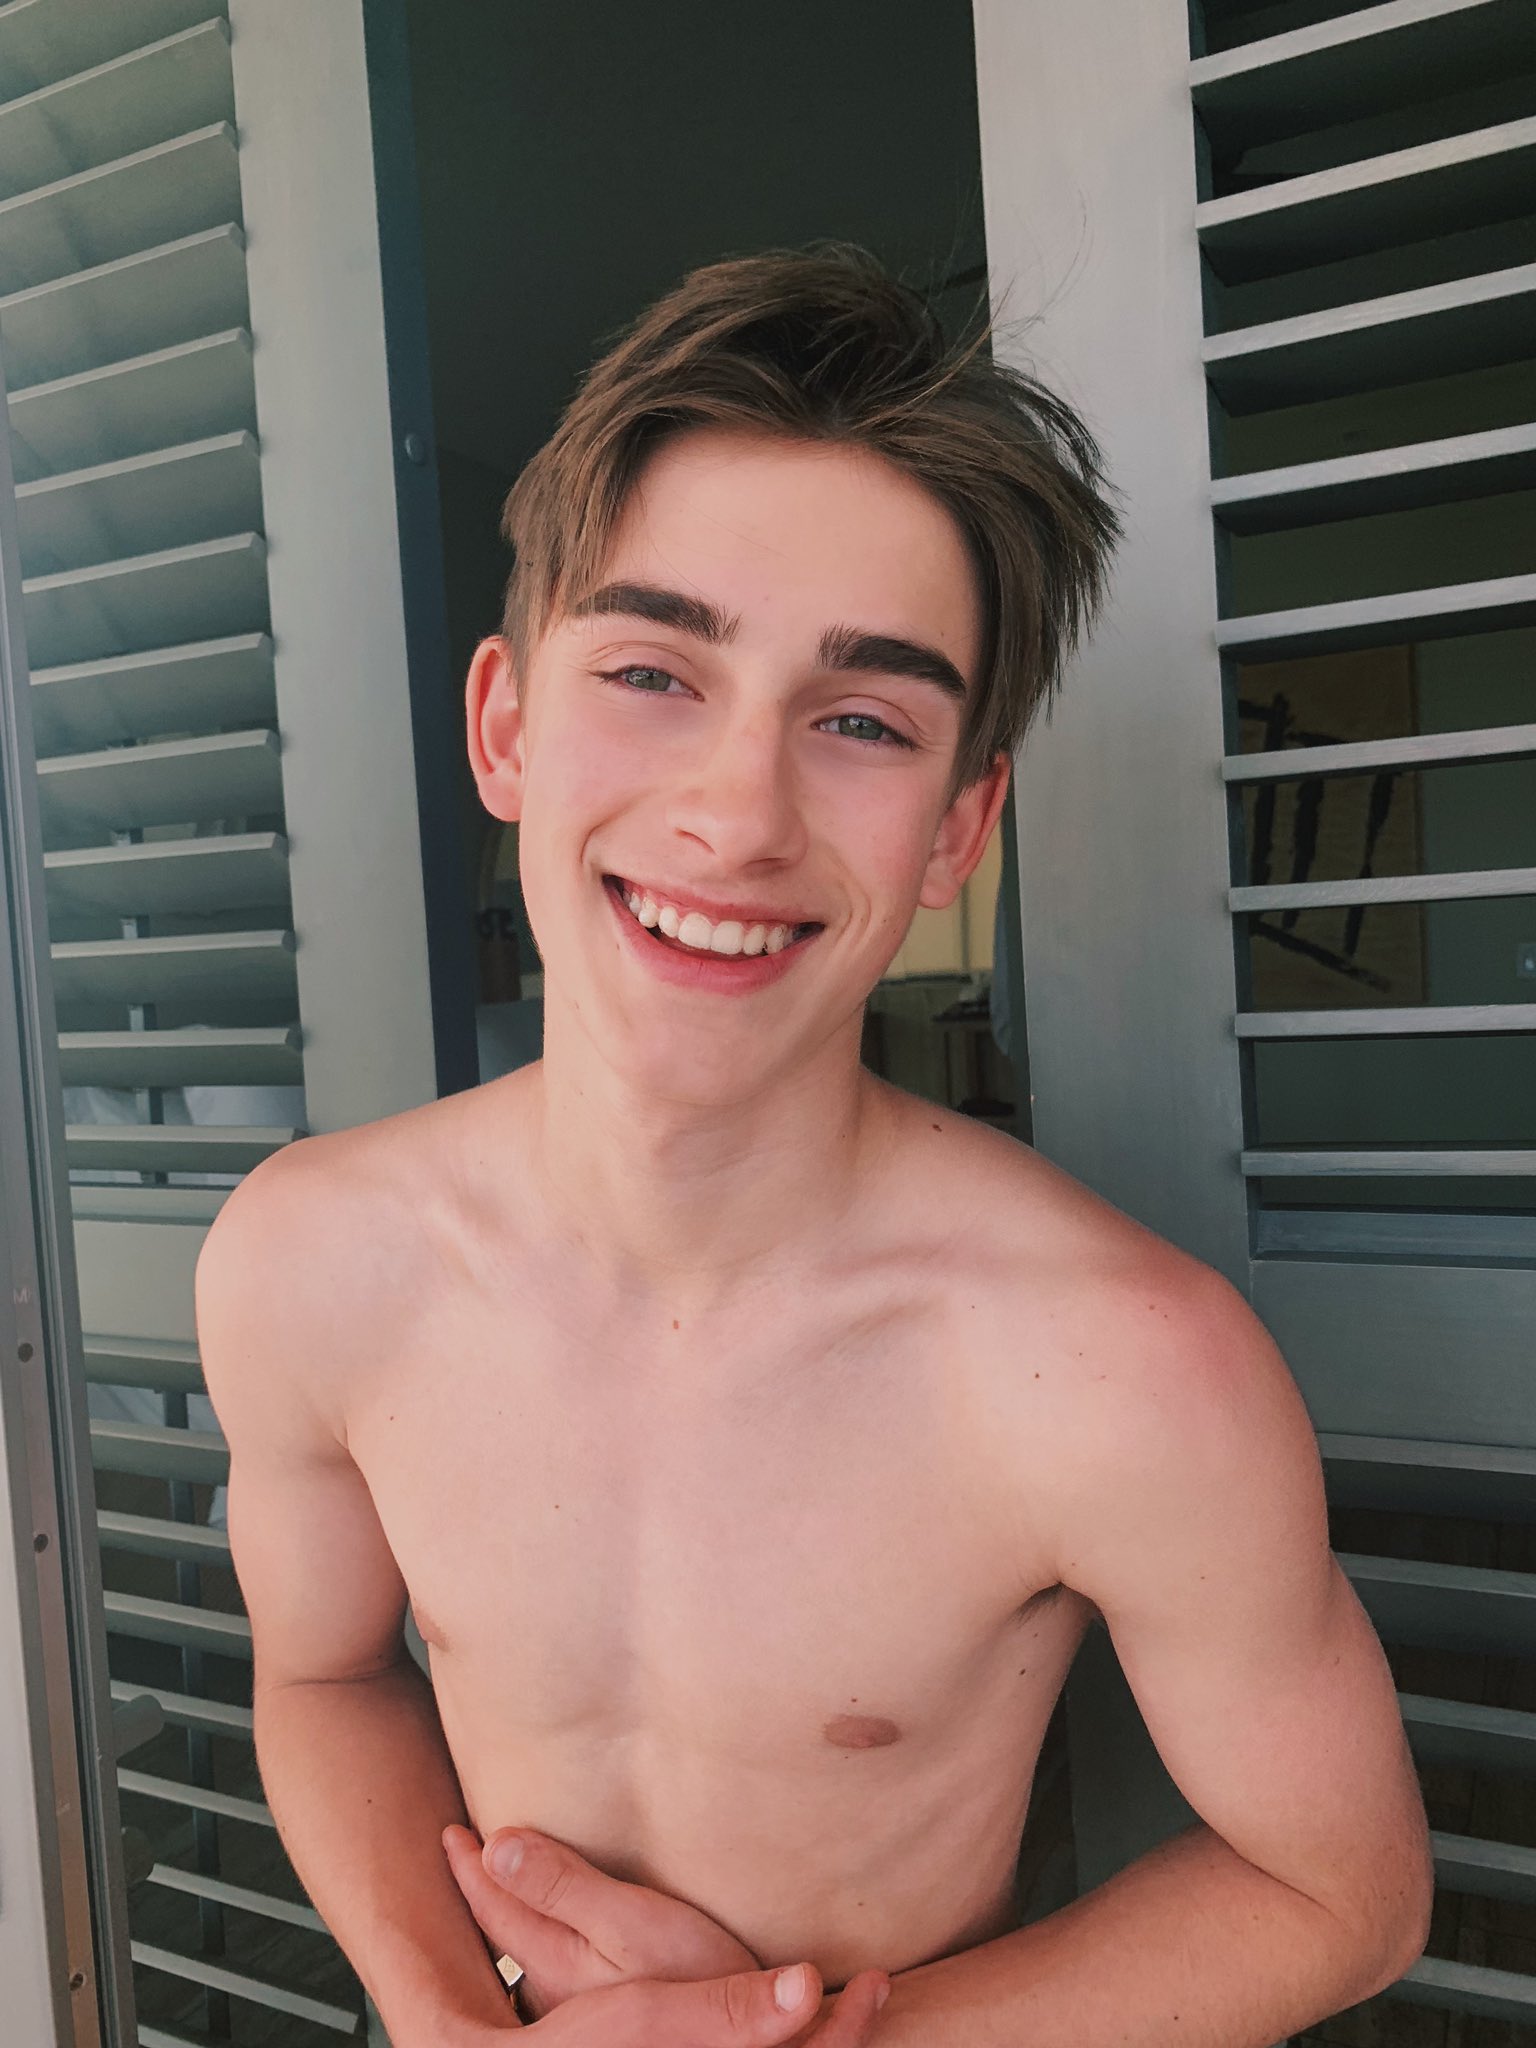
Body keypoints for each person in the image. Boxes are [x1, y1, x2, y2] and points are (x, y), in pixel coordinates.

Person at [194, 246, 1433, 2047]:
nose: (738, 813)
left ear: (958, 827)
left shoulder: (1123, 1364)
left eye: (862, 721)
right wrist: (453, 2027)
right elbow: (322, 1680)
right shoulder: (307, 1261)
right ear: (506, 729)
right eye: (654, 671)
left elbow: (1345, 1892)